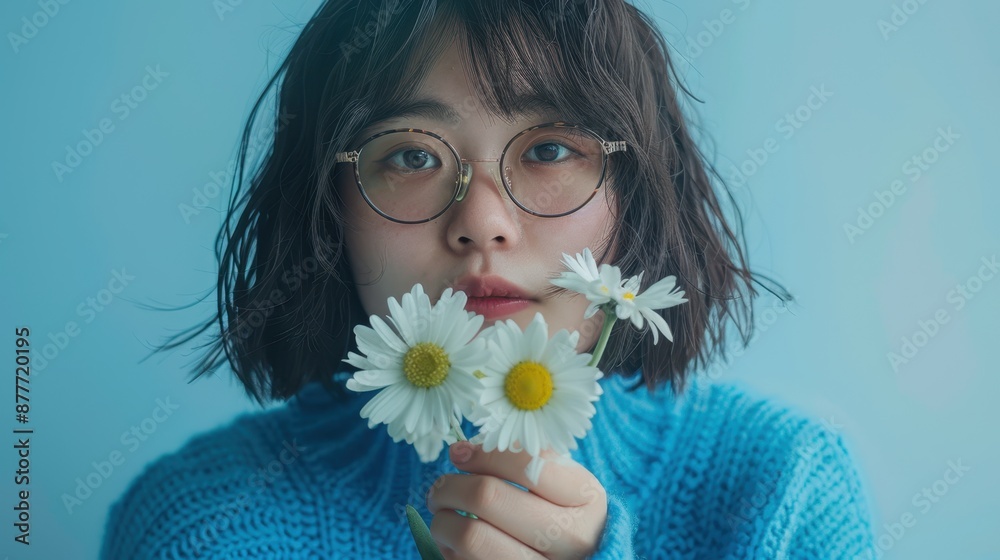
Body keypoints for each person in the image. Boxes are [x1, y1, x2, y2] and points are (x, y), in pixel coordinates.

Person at [100, 0, 877, 558]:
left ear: (634, 197)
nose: (483, 222)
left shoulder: (782, 488)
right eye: (410, 155)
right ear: (327, 210)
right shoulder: (200, 528)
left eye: (547, 150)